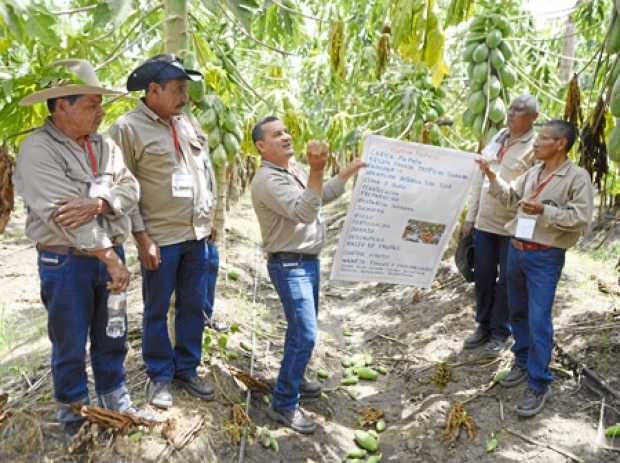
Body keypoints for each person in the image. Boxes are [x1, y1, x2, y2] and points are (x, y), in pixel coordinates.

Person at [12, 60, 142, 437]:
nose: (100, 113)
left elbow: (131, 188)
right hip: (67, 261)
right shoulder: (38, 149)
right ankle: (74, 415)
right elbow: (63, 215)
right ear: (61, 107)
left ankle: (113, 396)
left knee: (112, 334)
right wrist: (111, 258)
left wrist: (99, 204)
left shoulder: (105, 145)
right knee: (69, 343)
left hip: (108, 258)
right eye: (91, 105)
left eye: (101, 104)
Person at [108, 54, 217, 409]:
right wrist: (142, 238)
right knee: (156, 309)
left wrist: (208, 215)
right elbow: (124, 187)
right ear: (153, 90)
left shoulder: (185, 122)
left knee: (193, 305)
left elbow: (204, 171)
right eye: (178, 89)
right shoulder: (127, 128)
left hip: (196, 235)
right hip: (160, 239)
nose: (184, 97)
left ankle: (187, 368)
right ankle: (160, 375)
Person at [250, 116, 365, 434]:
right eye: (277, 135)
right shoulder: (267, 181)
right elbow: (304, 212)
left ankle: (295, 378)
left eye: (286, 131)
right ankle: (283, 404)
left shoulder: (292, 170)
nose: (286, 136)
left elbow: (319, 196)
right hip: (290, 265)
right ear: (261, 146)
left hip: (306, 262)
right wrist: (316, 169)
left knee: (301, 330)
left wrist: (346, 173)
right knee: (305, 333)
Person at [477, 119, 593, 417]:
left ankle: (538, 383)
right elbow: (510, 196)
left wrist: (544, 210)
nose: (536, 143)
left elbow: (580, 218)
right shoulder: (533, 173)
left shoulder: (576, 177)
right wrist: (491, 175)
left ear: (560, 144)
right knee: (517, 312)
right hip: (517, 249)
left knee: (538, 318)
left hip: (545, 256)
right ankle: (521, 362)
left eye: (543, 139)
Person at [462, 95, 539, 355]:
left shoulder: (535, 147)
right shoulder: (498, 138)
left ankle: (499, 332)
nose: (511, 112)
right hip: (485, 222)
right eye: (511, 108)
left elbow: (533, 191)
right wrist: (470, 217)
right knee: (482, 276)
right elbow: (477, 179)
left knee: (507, 281)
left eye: (520, 110)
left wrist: (526, 232)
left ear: (533, 118)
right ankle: (482, 325)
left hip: (511, 226)